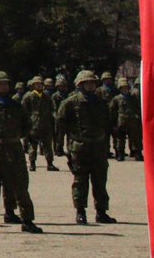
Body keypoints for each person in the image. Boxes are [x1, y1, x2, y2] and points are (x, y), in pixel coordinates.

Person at [0, 71, 42, 234]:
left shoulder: (17, 106)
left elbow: (27, 126)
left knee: (21, 187)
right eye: (0, 84)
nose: (3, 87)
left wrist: (14, 138)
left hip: (14, 150)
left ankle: (27, 220)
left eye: (5, 84)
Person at [57, 70, 117, 224]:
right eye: (87, 83)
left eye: (92, 82)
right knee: (80, 181)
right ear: (80, 84)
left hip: (98, 146)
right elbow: (61, 124)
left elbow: (107, 123)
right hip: (80, 147)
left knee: (100, 180)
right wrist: (61, 146)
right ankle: (80, 211)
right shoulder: (70, 102)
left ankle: (101, 212)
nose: (90, 85)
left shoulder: (101, 102)